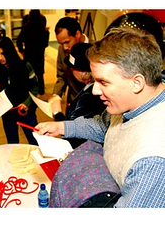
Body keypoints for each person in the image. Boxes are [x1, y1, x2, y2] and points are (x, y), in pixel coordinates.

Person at [36, 27, 165, 208]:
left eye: (103, 82)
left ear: (137, 82)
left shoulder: (153, 162)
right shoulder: (131, 102)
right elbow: (103, 126)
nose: (95, 91)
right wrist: (62, 127)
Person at [49, 42, 106, 148]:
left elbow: (74, 136)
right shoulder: (88, 87)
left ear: (82, 72)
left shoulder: (89, 97)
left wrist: (57, 113)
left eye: (72, 68)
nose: (70, 71)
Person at [0, 34, 39, 145]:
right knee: (12, 145)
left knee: (34, 141)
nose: (0, 58)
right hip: (8, 114)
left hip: (26, 111)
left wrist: (27, 103)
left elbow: (35, 86)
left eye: (3, 54)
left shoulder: (24, 66)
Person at [53, 17, 89, 103]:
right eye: (61, 44)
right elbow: (61, 77)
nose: (64, 47)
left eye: (67, 42)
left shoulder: (97, 49)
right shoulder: (62, 50)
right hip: (72, 102)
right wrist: (55, 96)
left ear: (77, 34)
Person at [17, 10, 49, 95]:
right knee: (40, 73)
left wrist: (21, 51)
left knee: (28, 72)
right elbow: (45, 44)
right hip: (39, 54)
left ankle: (29, 89)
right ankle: (41, 90)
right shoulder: (42, 29)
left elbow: (19, 40)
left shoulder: (26, 28)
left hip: (29, 53)